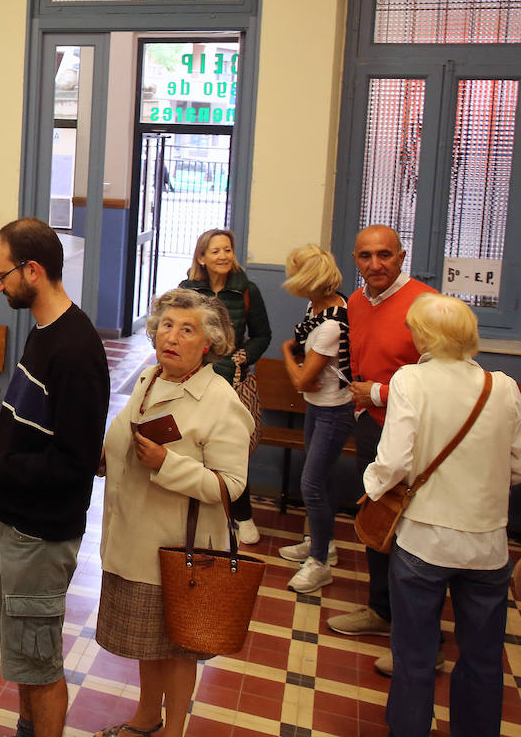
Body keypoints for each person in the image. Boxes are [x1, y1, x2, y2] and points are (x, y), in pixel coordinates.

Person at [0, 217, 110, 737]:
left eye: (2, 276)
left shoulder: (78, 350)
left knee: (40, 666)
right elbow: (29, 415)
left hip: (41, 534)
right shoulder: (43, 333)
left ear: (33, 270)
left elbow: (73, 463)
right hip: (10, 519)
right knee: (21, 657)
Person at [95, 288, 252, 737]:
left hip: (181, 550)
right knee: (150, 643)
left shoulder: (222, 402)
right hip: (134, 538)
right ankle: (146, 717)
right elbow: (123, 442)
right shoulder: (147, 380)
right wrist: (101, 456)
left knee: (179, 648)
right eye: (166, 325)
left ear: (208, 344)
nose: (173, 336)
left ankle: (174, 731)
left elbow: (231, 487)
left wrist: (169, 465)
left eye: (187, 330)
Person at [361, 294, 521, 736]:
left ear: (426, 336)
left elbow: (394, 462)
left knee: (414, 655)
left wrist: (370, 489)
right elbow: (519, 463)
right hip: (487, 545)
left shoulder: (411, 380)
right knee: (484, 658)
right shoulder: (502, 385)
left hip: (424, 542)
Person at [325, 225, 438, 678]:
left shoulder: (427, 306)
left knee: (411, 535)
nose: (376, 265)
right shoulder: (355, 301)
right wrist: (363, 398)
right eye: (366, 256)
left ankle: (423, 643)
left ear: (402, 255)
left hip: (416, 436)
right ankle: (380, 611)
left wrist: (379, 394)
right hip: (372, 430)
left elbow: (441, 382)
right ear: (355, 259)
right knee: (376, 519)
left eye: (385, 255)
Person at [178, 228, 270, 545]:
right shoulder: (187, 290)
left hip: (234, 381)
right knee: (194, 447)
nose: (223, 256)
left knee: (233, 449)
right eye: (215, 251)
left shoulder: (247, 290)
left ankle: (242, 514)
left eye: (227, 250)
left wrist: (243, 357)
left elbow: (262, 335)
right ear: (201, 257)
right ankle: (197, 514)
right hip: (194, 379)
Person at [276, 245, 355, 593]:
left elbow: (302, 381)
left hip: (334, 409)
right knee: (320, 479)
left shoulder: (332, 325)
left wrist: (284, 353)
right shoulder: (320, 305)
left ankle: (319, 562)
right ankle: (324, 543)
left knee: (311, 484)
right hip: (319, 405)